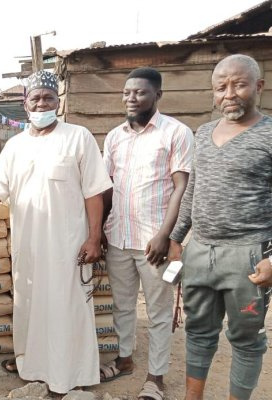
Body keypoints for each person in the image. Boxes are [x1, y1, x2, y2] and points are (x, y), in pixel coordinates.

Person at [0, 70, 112, 393]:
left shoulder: (78, 137)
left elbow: (94, 192)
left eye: (48, 98)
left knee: (66, 307)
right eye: (36, 98)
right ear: (25, 104)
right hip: (28, 244)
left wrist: (94, 236)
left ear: (59, 102)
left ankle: (69, 374)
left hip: (68, 244)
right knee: (30, 305)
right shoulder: (15, 146)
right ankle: (34, 366)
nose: (42, 103)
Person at [168, 54, 272, 400]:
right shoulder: (204, 133)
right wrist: (177, 238)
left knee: (245, 338)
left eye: (239, 84)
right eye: (221, 87)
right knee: (198, 331)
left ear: (258, 86)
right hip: (200, 251)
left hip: (248, 256)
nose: (229, 94)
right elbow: (193, 189)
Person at [100, 67, 193, 400]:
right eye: (126, 92)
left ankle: (156, 377)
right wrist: (100, 228)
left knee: (158, 312)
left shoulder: (176, 133)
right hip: (118, 237)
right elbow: (107, 188)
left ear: (158, 95)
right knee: (123, 306)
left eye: (139, 92)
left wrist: (166, 235)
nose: (131, 98)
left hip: (154, 241)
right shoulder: (114, 137)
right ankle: (124, 360)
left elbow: (183, 187)